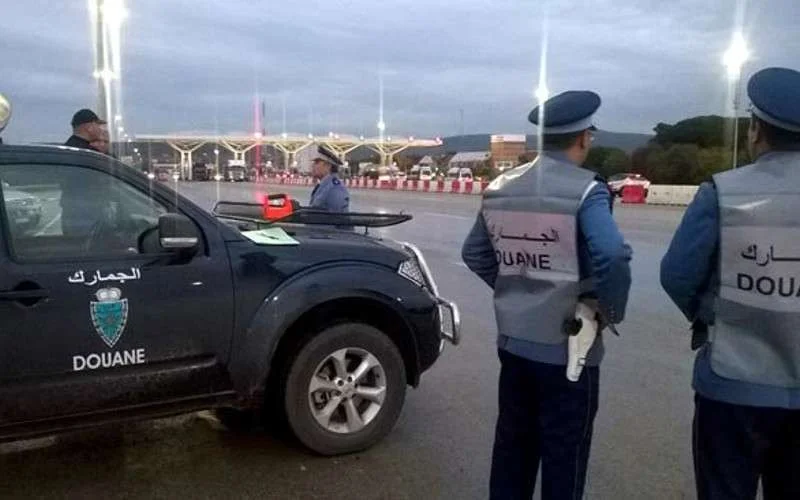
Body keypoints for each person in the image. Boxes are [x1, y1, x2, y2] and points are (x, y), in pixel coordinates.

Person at [462, 90, 632, 500]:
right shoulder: (587, 190)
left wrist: (519, 289)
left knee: (512, 452)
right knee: (564, 459)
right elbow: (611, 254)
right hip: (568, 351)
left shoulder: (501, 187)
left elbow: (475, 253)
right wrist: (608, 310)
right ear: (584, 137)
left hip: (514, 345)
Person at [661, 67, 800, 500]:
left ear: (756, 130)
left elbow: (677, 275)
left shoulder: (723, 192)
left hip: (732, 383)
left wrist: (713, 315)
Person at [309, 145, 349, 212]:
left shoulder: (335, 188)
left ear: (328, 166)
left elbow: (335, 216)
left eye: (317, 162)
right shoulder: (325, 185)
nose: (312, 165)